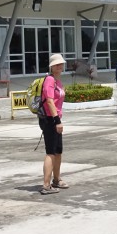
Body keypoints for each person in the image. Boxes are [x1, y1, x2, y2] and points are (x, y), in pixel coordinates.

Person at [39, 53, 68, 194]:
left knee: (58, 151)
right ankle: (46, 184)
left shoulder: (58, 81)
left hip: (56, 119)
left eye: (61, 64)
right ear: (52, 66)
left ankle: (56, 179)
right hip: (50, 120)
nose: (60, 66)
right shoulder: (49, 80)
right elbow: (50, 101)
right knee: (50, 152)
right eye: (57, 64)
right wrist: (57, 121)